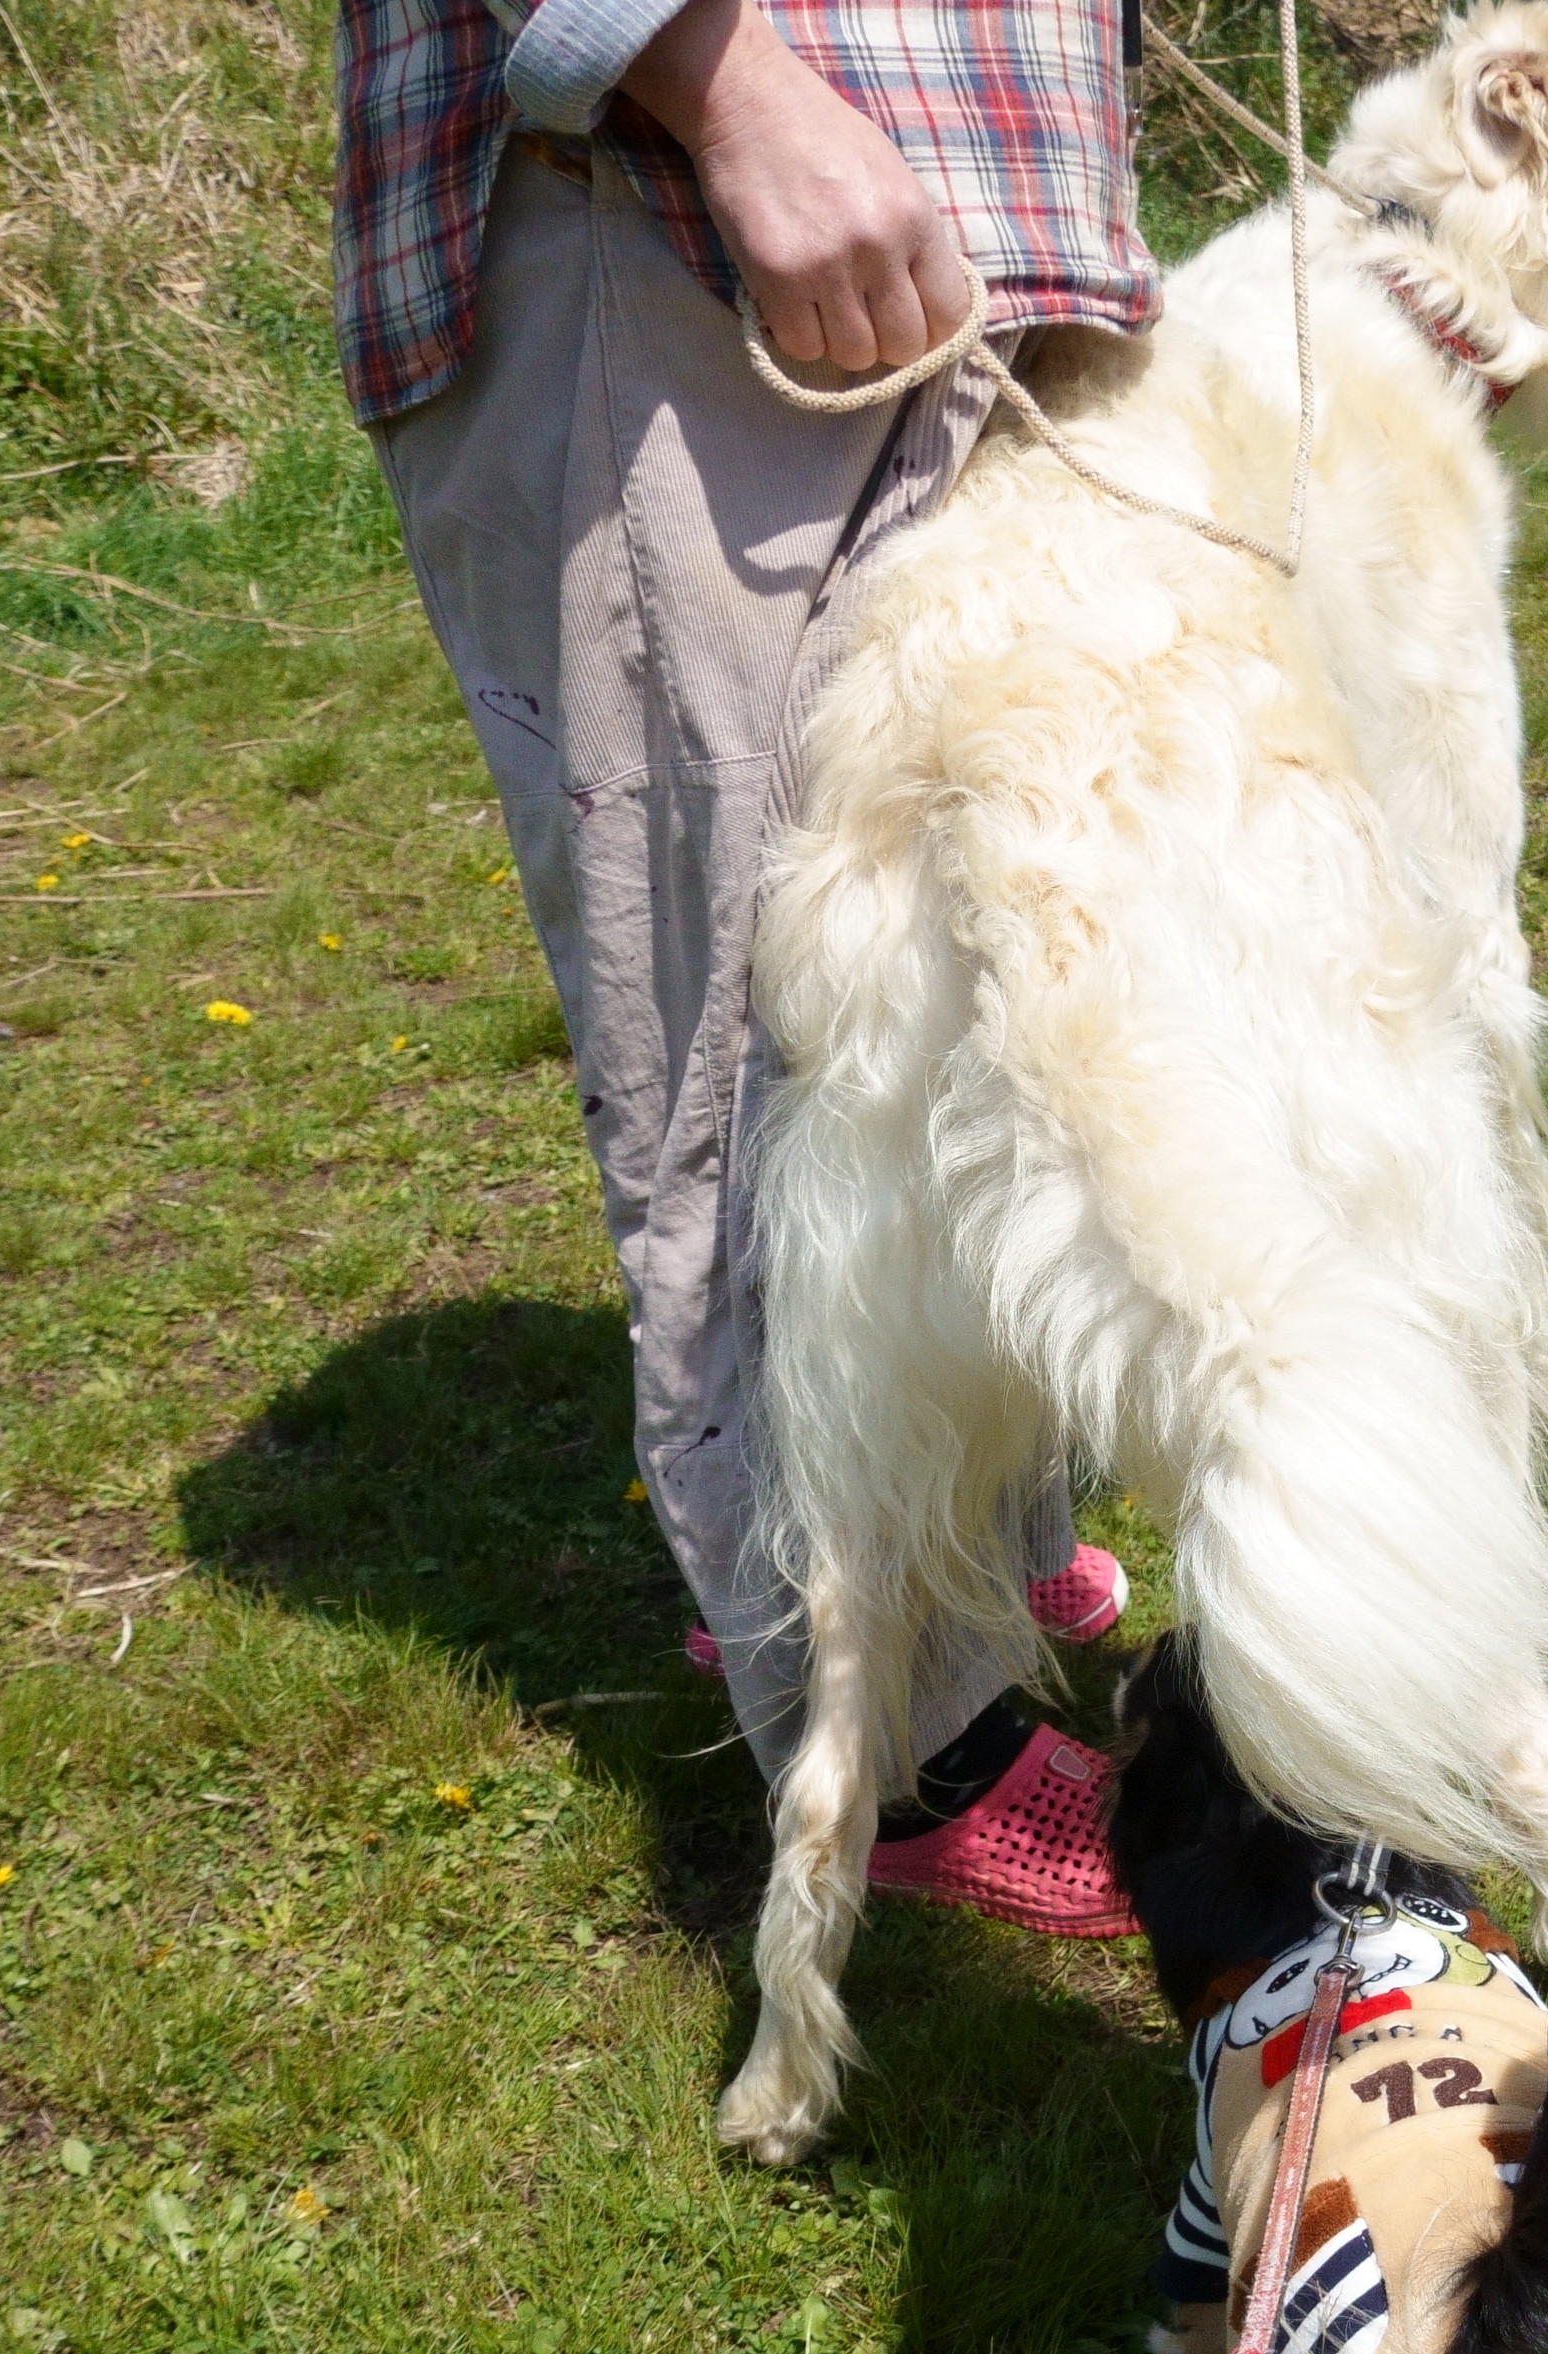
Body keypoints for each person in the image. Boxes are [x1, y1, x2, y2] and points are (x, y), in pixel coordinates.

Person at [336, 0, 1160, 1934]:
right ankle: (893, 1749)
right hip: (682, 201)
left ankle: (974, 1539)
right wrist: (721, 82)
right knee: (756, 1021)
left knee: (962, 988)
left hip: (955, 222)